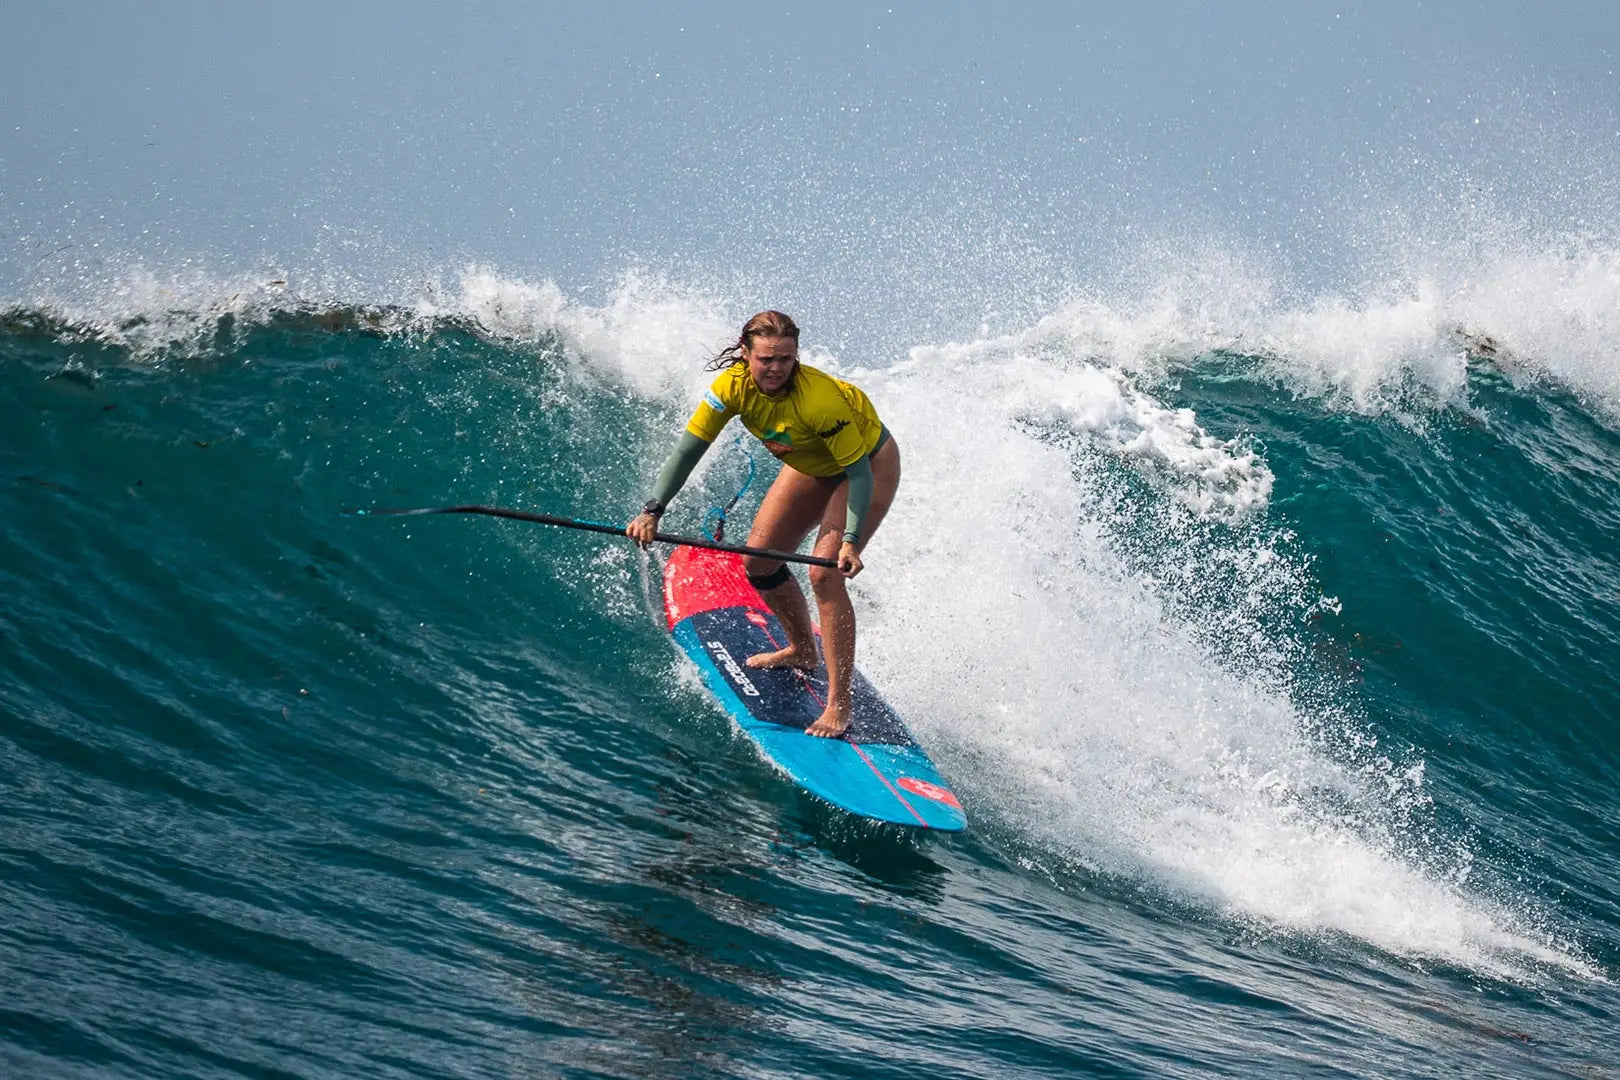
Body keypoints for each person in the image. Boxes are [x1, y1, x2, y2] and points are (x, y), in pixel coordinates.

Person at [625, 310, 901, 738]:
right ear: (744, 353)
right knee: (758, 563)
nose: (776, 369)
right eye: (766, 359)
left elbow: (860, 474)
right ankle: (801, 649)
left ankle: (839, 705)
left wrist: (849, 542)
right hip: (810, 463)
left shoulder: (821, 401)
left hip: (866, 467)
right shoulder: (730, 389)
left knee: (825, 573)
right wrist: (652, 509)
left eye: (786, 359)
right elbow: (687, 452)